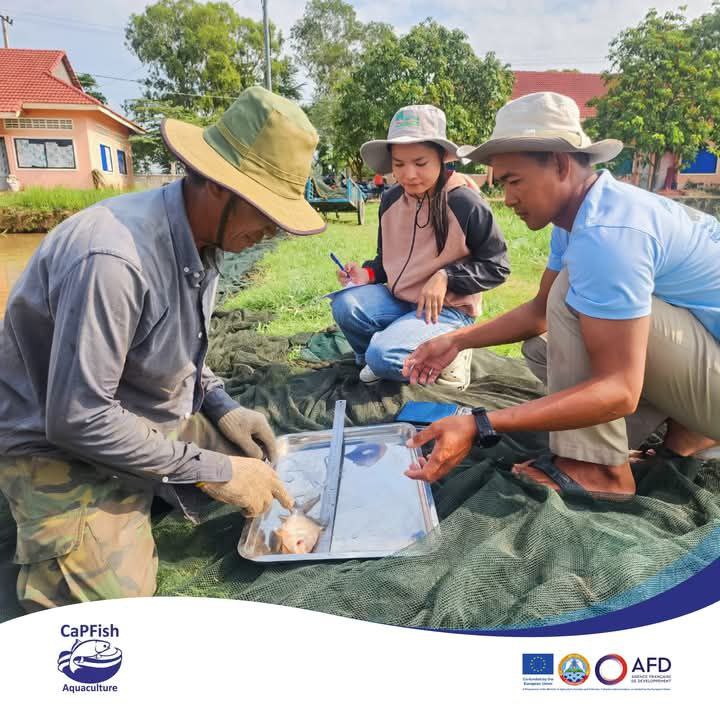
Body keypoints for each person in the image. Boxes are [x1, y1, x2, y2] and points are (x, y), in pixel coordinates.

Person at [0, 87, 326, 611]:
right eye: (265, 212)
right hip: (54, 443)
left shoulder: (208, 240)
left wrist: (221, 404)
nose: (270, 232)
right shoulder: (113, 258)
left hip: (137, 410)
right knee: (119, 608)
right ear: (218, 185)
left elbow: (179, 349)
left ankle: (153, 480)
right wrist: (212, 471)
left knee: (258, 462)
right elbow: (77, 418)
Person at [403, 92, 720, 496]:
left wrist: (480, 423)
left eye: (514, 181)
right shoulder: (584, 215)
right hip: (706, 358)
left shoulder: (607, 234)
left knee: (571, 292)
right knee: (542, 347)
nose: (508, 199)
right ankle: (690, 433)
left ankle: (599, 470)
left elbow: (621, 389)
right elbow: (539, 312)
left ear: (559, 163)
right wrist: (456, 340)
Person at [330, 104, 510, 389]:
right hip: (399, 300)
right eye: (399, 164)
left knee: (383, 355)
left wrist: (446, 276)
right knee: (345, 304)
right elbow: (386, 260)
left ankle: (451, 354)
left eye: (420, 163)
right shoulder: (390, 200)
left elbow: (497, 266)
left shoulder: (465, 203)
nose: (409, 174)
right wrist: (367, 274)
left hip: (447, 310)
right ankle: (379, 357)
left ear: (442, 158)